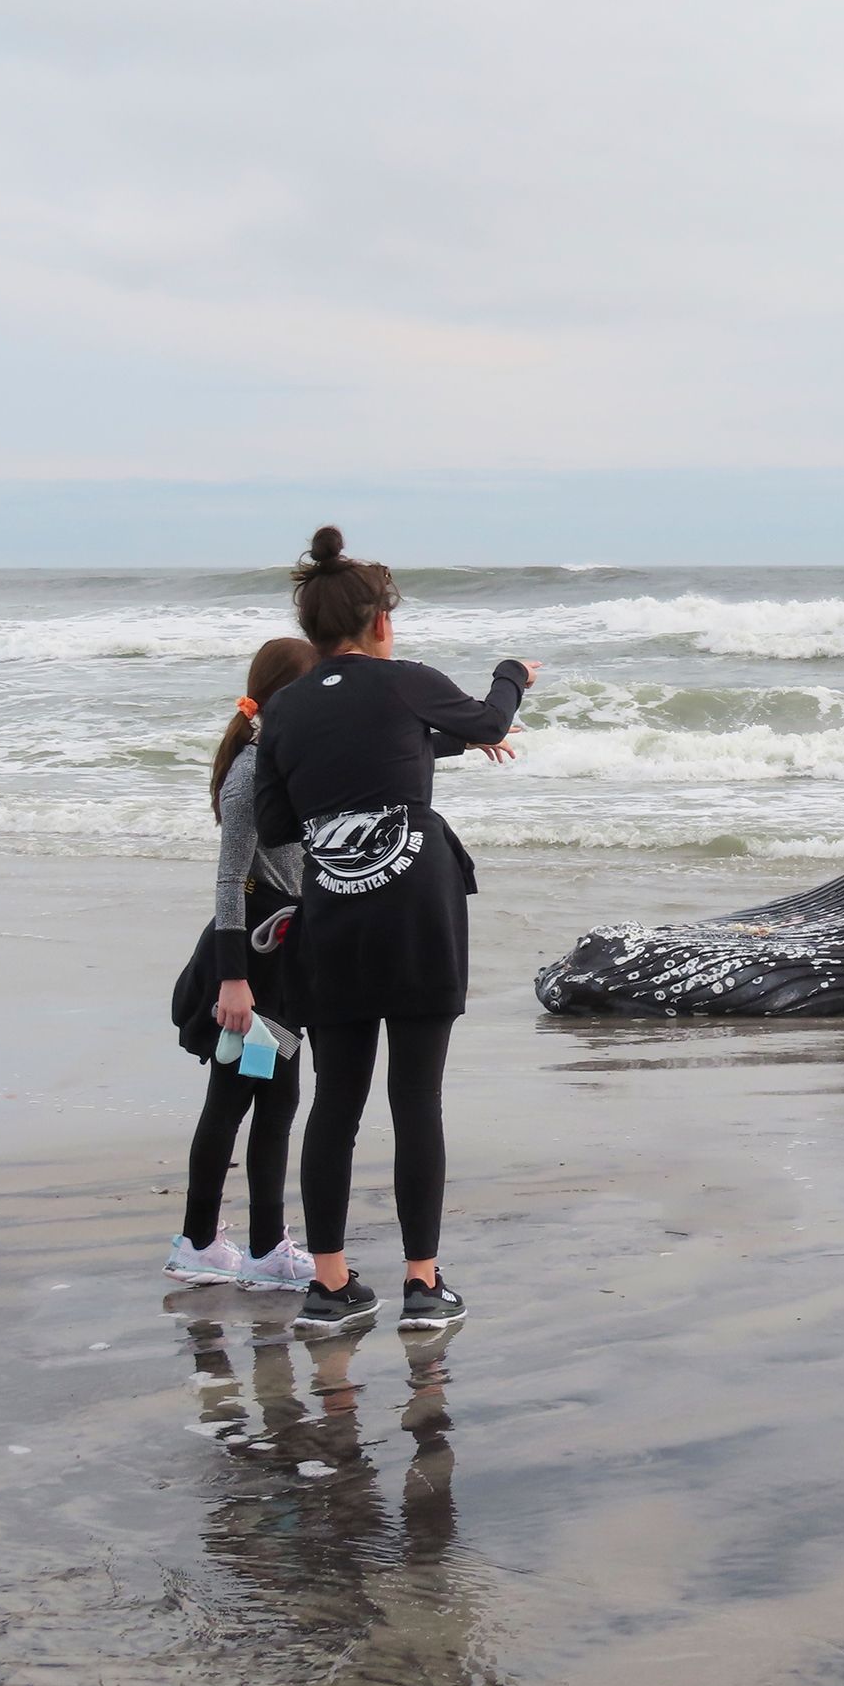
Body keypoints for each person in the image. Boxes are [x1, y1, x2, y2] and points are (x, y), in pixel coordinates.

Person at [253, 527, 537, 1333]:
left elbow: (277, 825)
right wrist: (513, 676)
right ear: (380, 621)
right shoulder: (407, 682)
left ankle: (331, 1287)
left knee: (335, 1102)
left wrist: (400, 759)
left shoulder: (286, 710)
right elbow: (487, 720)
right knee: (416, 1099)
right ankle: (422, 1284)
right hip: (417, 913)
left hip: (335, 919)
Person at [167, 637, 321, 1289]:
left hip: (280, 959)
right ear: (288, 694)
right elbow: (231, 881)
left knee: (276, 1102)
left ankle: (261, 1248)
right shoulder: (249, 773)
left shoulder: (281, 761)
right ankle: (201, 1242)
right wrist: (233, 982)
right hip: (248, 968)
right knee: (231, 1101)